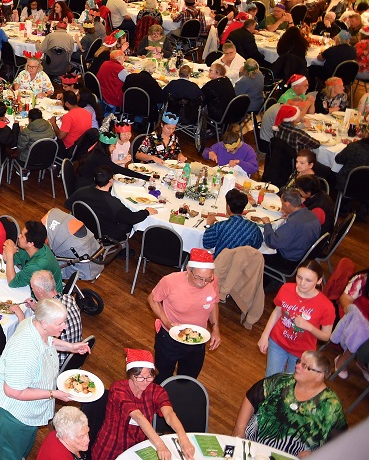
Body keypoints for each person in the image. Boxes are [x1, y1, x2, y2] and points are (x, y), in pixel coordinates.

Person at [0, 298, 88, 460]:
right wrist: (54, 394)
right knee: (6, 455)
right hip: (10, 413)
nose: (65, 326)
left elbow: (48, 340)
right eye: (60, 323)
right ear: (44, 322)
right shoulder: (26, 351)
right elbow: (12, 391)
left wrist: (71, 347)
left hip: (27, 410)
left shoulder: (33, 323)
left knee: (20, 450)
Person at [232, 349, 347, 457]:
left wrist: (314, 456)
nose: (297, 366)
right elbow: (251, 398)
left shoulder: (331, 406)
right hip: (252, 446)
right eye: (299, 362)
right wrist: (240, 429)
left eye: (305, 366)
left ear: (319, 376)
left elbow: (340, 442)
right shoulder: (281, 381)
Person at [90, 348, 196, 460]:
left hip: (138, 449)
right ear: (130, 374)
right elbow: (138, 417)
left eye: (150, 376)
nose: (145, 381)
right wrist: (160, 445)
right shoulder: (118, 389)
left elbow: (169, 414)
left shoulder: (156, 391)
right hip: (111, 449)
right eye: (140, 377)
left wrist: (183, 438)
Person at [147, 248, 222, 382]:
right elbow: (152, 299)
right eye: (198, 278)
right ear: (188, 270)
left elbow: (214, 303)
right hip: (169, 339)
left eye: (207, 279)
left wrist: (215, 328)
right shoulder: (170, 281)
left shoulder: (213, 281)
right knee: (162, 378)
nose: (203, 283)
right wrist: (167, 322)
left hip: (197, 340)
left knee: (188, 380)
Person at [258, 260, 334, 376]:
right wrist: (265, 335)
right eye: (299, 277)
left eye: (308, 280)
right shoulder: (286, 288)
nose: (302, 283)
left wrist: (309, 327)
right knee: (271, 379)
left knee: (290, 384)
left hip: (302, 352)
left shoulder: (326, 306)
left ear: (319, 281)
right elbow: (277, 312)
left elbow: (326, 336)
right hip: (277, 342)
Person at [67, 168, 149, 242]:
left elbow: (68, 204)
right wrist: (146, 212)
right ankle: (122, 250)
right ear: (111, 181)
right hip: (104, 234)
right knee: (127, 225)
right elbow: (132, 218)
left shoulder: (82, 191)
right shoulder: (112, 203)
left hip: (83, 226)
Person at [264, 189, 322, 265]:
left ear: (287, 204)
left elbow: (272, 242)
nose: (282, 206)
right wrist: (290, 216)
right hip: (304, 254)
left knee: (257, 249)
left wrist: (267, 224)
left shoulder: (293, 223)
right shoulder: (312, 215)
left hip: (289, 260)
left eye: (282, 203)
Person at [3, 220, 63, 291]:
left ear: (30, 243)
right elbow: (8, 261)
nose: (19, 236)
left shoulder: (37, 265)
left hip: (45, 297)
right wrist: (7, 246)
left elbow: (12, 283)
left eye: (22, 235)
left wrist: (9, 254)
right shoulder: (31, 247)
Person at [202, 188, 264, 257]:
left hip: (221, 264)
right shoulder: (253, 228)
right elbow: (257, 245)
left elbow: (207, 244)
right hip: (242, 265)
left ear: (228, 207)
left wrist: (208, 225)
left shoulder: (220, 226)